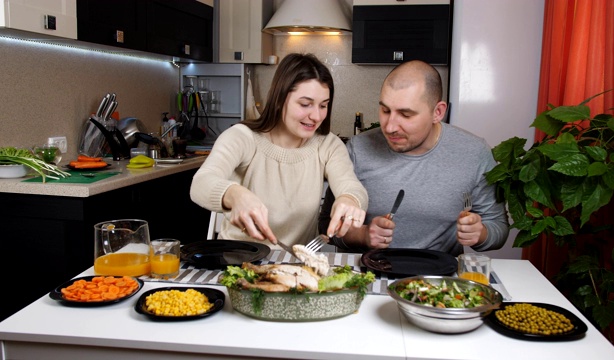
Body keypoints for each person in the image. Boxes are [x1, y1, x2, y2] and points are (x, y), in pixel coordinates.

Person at [319, 60, 509, 256]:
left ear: (438, 112)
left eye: (406, 114)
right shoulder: (358, 149)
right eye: (385, 110)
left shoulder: (474, 153)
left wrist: (481, 234)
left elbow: (499, 227)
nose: (390, 126)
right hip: (368, 276)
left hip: (439, 280)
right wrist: (364, 235)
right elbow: (326, 226)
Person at [190, 53, 368, 249]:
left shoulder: (328, 145)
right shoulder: (242, 137)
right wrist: (235, 194)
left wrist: (349, 200)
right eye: (305, 104)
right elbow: (200, 183)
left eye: (323, 105)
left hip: (297, 266)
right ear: (279, 99)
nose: (316, 116)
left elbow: (351, 187)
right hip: (237, 259)